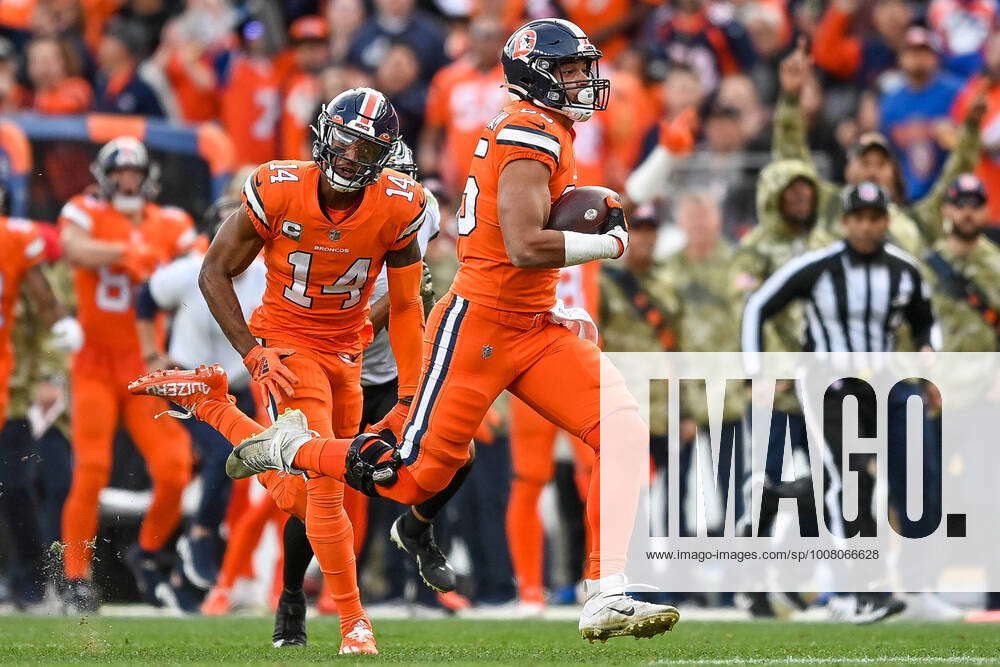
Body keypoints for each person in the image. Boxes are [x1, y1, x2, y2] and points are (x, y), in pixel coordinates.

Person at [131, 19, 680, 643]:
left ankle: (606, 592)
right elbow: (525, 245)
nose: (585, 79)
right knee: (407, 477)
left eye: (586, 67)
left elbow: (418, 294)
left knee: (626, 430)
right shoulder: (528, 132)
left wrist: (557, 304)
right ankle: (286, 453)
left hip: (523, 322)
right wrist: (605, 244)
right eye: (573, 68)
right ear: (539, 74)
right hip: (477, 328)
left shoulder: (484, 159)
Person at [183, 88, 426, 654]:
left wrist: (410, 390)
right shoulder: (279, 187)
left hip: (349, 353)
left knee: (319, 490)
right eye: (342, 142)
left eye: (365, 149)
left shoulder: (400, 204)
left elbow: (410, 304)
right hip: (287, 345)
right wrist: (251, 351)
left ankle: (218, 410)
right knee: (322, 491)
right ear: (323, 135)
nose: (348, 157)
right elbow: (214, 271)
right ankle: (354, 624)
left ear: (385, 156)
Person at [741, 181, 939, 624]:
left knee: (880, 480)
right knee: (849, 480)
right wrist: (757, 372)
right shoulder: (818, 267)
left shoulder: (903, 269)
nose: (867, 227)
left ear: (886, 220)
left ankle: (777, 498)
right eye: (859, 218)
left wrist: (930, 357)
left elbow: (927, 321)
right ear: (844, 222)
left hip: (883, 384)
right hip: (828, 384)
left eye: (875, 218)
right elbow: (758, 306)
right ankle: (857, 588)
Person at [58, 136, 195, 612]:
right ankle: (76, 575)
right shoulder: (84, 211)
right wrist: (124, 251)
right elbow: (73, 247)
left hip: (145, 364)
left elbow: (200, 262)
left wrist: (164, 265)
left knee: (174, 469)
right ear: (104, 176)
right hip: (93, 363)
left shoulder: (170, 223)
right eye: (119, 173)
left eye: (135, 173)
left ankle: (150, 552)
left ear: (148, 177)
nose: (127, 181)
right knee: (92, 468)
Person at [134, 188, 266, 602]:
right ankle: (200, 537)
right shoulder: (191, 269)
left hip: (236, 388)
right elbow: (145, 298)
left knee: (233, 469)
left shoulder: (266, 275)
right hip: (189, 386)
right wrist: (152, 353)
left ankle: (179, 577)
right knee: (219, 459)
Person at [774, 37, 984, 257]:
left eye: (881, 164)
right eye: (864, 163)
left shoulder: (919, 219)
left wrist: (970, 130)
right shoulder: (828, 207)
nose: (872, 171)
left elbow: (957, 173)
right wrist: (790, 99)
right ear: (848, 171)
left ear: (894, 174)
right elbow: (792, 162)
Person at [0, 181, 79, 610]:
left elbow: (49, 315)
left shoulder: (16, 244)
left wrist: (50, 373)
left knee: (16, 486)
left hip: (12, 387)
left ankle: (29, 578)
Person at [419, 15, 508, 196]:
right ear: (471, 39)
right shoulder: (448, 77)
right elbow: (432, 129)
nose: (487, 43)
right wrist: (431, 164)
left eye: (493, 36)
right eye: (483, 36)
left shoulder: (512, 79)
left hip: (500, 169)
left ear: (502, 40)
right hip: (457, 170)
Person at [879, 27, 964, 201]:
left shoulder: (957, 93)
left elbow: (969, 143)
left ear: (935, 57)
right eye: (912, 52)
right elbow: (886, 153)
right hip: (907, 195)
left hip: (949, 194)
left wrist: (954, 135)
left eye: (924, 52)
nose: (918, 58)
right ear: (900, 58)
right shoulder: (891, 101)